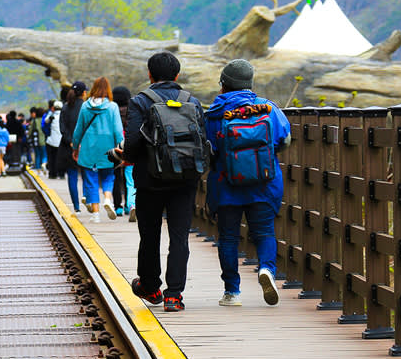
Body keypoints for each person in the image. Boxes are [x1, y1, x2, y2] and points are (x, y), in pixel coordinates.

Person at [117, 51, 208, 313]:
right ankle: (174, 295)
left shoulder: (140, 101)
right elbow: (201, 139)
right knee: (179, 237)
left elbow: (133, 141)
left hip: (149, 179)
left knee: (150, 236)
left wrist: (128, 158)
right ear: (177, 75)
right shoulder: (191, 101)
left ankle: (151, 286)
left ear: (150, 74)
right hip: (184, 180)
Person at [206, 59, 291, 307]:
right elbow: (284, 139)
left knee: (229, 238)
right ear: (250, 84)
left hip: (226, 184)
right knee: (264, 232)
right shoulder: (268, 109)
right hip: (264, 182)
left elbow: (208, 149)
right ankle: (266, 269)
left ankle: (232, 292)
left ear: (223, 84)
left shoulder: (214, 113)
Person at [69, 77, 124, 223]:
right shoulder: (112, 107)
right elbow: (118, 131)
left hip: (88, 147)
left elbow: (78, 130)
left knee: (91, 180)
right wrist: (120, 147)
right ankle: (107, 198)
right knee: (109, 175)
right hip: (108, 146)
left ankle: (96, 214)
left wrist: (75, 147)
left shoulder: (86, 106)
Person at [59, 82, 87, 212]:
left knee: (72, 176)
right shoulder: (85, 107)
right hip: (84, 146)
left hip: (68, 147)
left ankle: (76, 206)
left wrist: (71, 142)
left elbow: (62, 128)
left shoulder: (65, 107)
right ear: (83, 93)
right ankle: (89, 200)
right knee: (88, 174)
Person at [111, 86, 136, 222]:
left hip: (115, 145)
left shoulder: (111, 109)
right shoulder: (132, 108)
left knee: (115, 176)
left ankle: (117, 207)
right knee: (129, 176)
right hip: (129, 144)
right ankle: (129, 205)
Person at [44, 100, 63, 179]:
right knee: (60, 158)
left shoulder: (51, 115)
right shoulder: (63, 115)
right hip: (61, 140)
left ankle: (52, 173)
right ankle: (61, 173)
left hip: (51, 140)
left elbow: (45, 121)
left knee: (51, 158)